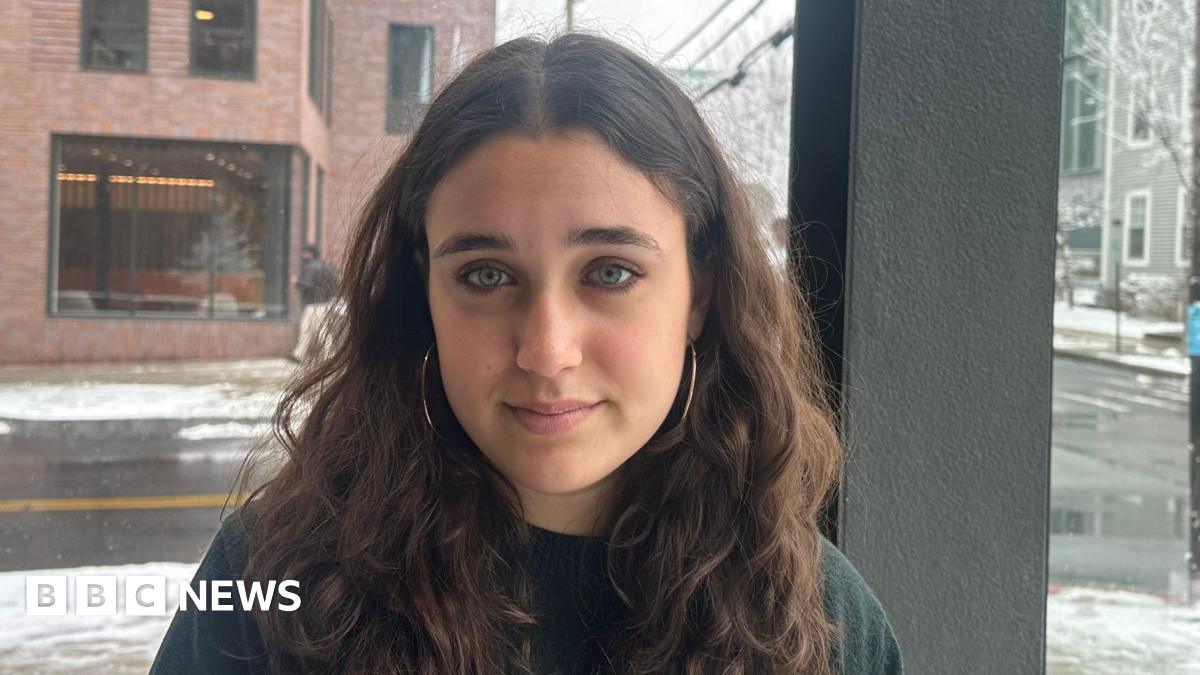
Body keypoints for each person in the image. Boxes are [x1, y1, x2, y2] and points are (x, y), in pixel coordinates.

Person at [149, 32, 903, 675]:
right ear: (425, 298)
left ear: (700, 294)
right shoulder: (268, 580)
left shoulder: (817, 615)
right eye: (486, 274)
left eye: (610, 272)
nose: (547, 350)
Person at [291, 245, 340, 363]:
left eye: (305, 254)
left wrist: (296, 282)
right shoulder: (326, 267)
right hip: (324, 303)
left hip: (314, 304)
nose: (303, 256)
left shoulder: (310, 268)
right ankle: (299, 354)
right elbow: (336, 283)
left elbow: (306, 285)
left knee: (320, 330)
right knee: (309, 329)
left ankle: (330, 355)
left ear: (309, 254)